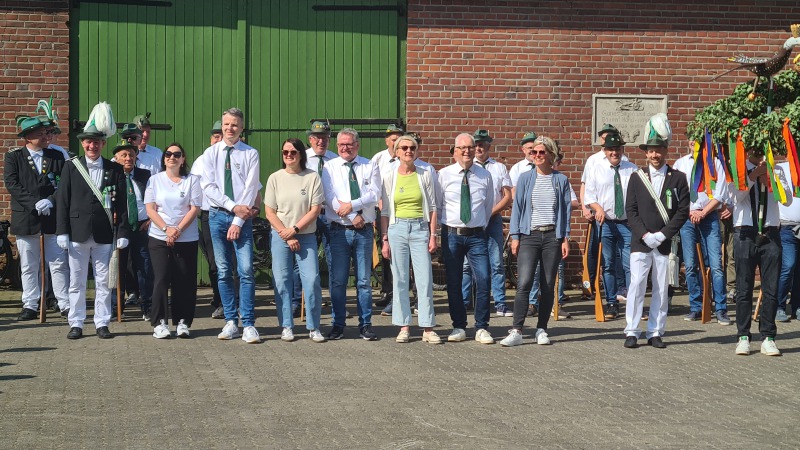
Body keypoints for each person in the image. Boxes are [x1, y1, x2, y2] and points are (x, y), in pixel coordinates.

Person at [55, 102, 129, 340]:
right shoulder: (71, 167)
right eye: (88, 142)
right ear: (82, 143)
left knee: (104, 282)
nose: (92, 146)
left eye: (96, 142)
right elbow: (63, 201)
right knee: (76, 281)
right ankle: (76, 322)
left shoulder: (114, 169)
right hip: (77, 232)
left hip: (104, 233)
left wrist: (123, 232)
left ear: (103, 144)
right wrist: (61, 231)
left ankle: (102, 322)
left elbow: (122, 205)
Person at [623, 114, 689, 349]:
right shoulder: (636, 177)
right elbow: (630, 210)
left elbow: (682, 211)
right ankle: (632, 330)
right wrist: (644, 234)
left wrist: (662, 235)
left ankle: (655, 332)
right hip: (641, 241)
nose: (655, 155)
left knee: (661, 288)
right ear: (646, 153)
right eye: (651, 151)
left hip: (664, 242)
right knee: (637, 286)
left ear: (665, 150)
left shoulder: (678, 178)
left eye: (658, 150)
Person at [501, 136, 572, 346]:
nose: (537, 155)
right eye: (534, 152)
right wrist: (515, 236)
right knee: (523, 283)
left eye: (542, 152)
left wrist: (565, 237)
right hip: (529, 235)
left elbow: (565, 211)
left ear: (551, 155)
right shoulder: (525, 178)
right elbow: (517, 208)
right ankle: (517, 330)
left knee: (547, 284)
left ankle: (542, 329)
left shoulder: (561, 180)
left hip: (552, 237)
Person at [201, 107, 262, 343]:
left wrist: (238, 218)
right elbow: (208, 187)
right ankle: (230, 321)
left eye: (234, 124)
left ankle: (248, 324)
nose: (230, 128)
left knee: (245, 270)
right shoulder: (210, 153)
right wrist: (232, 206)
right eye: (226, 124)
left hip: (242, 219)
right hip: (217, 216)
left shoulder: (250, 153)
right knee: (224, 270)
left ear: (241, 127)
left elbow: (251, 187)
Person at [4, 115, 69, 320]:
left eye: (46, 133)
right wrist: (34, 204)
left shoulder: (56, 156)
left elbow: (64, 185)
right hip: (26, 218)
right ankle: (30, 304)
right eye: (40, 134)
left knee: (58, 263)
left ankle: (64, 303)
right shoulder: (14, 157)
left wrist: (50, 201)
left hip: (51, 217)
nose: (45, 136)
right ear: (27, 137)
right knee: (29, 265)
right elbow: (12, 184)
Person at [731, 147, 792, 356]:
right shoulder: (738, 168)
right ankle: (743, 336)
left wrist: (772, 181)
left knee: (771, 288)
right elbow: (735, 197)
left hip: (771, 232)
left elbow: (787, 199)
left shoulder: (777, 170)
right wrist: (753, 176)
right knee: (744, 288)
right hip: (745, 232)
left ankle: (768, 337)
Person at [321, 128, 381, 340]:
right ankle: (338, 324)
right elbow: (329, 197)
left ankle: (365, 324)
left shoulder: (369, 165)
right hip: (338, 231)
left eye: (349, 144)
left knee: (363, 281)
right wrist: (352, 216)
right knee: (338, 281)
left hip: (364, 231)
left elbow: (374, 194)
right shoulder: (329, 167)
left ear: (357, 145)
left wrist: (352, 206)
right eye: (341, 144)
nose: (345, 148)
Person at [264, 138, 326, 342]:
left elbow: (315, 210)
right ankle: (286, 325)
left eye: (293, 152)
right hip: (280, 235)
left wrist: (296, 229)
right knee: (282, 281)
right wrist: (287, 233)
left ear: (301, 154)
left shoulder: (312, 177)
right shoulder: (275, 178)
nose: (289, 155)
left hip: (306, 235)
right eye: (285, 152)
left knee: (312, 280)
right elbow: (270, 212)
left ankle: (314, 326)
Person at [380, 135, 440, 344]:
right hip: (397, 228)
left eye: (412, 148)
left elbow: (433, 208)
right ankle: (404, 326)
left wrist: (433, 235)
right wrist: (385, 239)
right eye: (404, 148)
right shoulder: (389, 176)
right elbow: (385, 211)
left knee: (424, 279)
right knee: (400, 278)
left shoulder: (425, 174)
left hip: (420, 228)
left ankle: (427, 327)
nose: (408, 151)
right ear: (396, 152)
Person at [436, 133, 495, 344]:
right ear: (455, 151)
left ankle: (481, 327)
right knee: (454, 282)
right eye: (462, 148)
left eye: (470, 147)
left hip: (477, 235)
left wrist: (478, 224)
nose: (467, 151)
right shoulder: (443, 175)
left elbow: (488, 206)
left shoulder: (485, 175)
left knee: (484, 279)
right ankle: (458, 326)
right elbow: (439, 206)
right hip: (452, 234)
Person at [144, 143, 202, 338]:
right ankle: (159, 322)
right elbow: (150, 209)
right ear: (164, 158)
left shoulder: (192, 180)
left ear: (183, 159)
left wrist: (177, 230)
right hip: (159, 236)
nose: (172, 157)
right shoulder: (154, 180)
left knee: (184, 279)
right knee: (161, 278)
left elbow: (194, 208)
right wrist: (166, 229)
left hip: (186, 237)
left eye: (177, 154)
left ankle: (183, 322)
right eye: (168, 154)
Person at [672, 141, 732, 325]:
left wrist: (703, 212)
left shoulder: (715, 163)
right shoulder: (680, 164)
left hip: (709, 216)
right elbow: (674, 193)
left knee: (715, 265)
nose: (693, 142)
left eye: (698, 138)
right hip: (687, 217)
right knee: (690, 265)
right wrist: (689, 211)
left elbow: (720, 194)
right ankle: (696, 307)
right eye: (691, 138)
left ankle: (720, 308)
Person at [584, 131, 637, 320]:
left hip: (627, 224)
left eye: (618, 149)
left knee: (631, 264)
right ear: (605, 151)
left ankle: (633, 303)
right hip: (605, 223)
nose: (615, 152)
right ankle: (612, 303)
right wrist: (597, 208)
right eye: (611, 149)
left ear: (622, 150)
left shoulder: (632, 169)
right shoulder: (596, 169)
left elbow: (639, 196)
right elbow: (589, 196)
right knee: (608, 265)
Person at [461, 129, 513, 317]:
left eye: (482, 144)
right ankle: (464, 302)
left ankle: (500, 303)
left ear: (489, 146)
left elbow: (507, 196)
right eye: (476, 145)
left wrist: (490, 212)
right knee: (467, 265)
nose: (479, 148)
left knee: (496, 262)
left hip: (492, 219)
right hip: (472, 221)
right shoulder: (467, 166)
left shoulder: (499, 167)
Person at [193, 121, 238, 319]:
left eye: (222, 136)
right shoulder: (202, 161)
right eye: (215, 136)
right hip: (209, 214)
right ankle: (220, 301)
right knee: (215, 263)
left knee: (236, 263)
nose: (219, 139)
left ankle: (234, 302)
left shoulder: (238, 156)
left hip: (235, 214)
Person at [111, 138, 154, 321]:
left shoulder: (145, 175)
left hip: (142, 227)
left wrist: (151, 219)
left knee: (145, 267)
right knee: (117, 267)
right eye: (124, 155)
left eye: (131, 155)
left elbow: (156, 199)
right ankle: (116, 307)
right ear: (116, 158)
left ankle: (148, 307)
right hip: (119, 228)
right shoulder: (111, 175)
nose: (128, 158)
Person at [372, 124, 405, 308]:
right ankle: (387, 291)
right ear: (387, 141)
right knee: (386, 250)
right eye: (393, 139)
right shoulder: (378, 159)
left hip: (402, 211)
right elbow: (372, 184)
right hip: (383, 210)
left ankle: (407, 292)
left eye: (399, 138)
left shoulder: (407, 158)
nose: (396, 142)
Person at [777, 160, 800, 321]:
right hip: (787, 227)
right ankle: (779, 306)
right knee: (788, 266)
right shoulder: (780, 168)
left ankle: (797, 306)